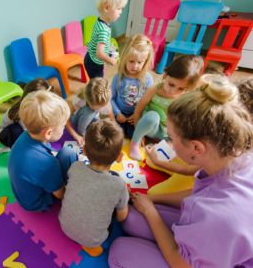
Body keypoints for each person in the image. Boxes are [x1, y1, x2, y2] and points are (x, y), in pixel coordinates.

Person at [108, 74, 253, 268]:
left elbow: (180, 263)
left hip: (206, 257)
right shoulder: (232, 157)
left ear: (196, 148)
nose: (168, 142)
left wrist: (151, 212)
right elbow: (201, 193)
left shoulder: (217, 216)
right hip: (215, 233)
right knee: (130, 218)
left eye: (171, 137)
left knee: (118, 252)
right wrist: (152, 200)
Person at [59, 119, 130, 257]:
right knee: (115, 187)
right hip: (94, 240)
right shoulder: (119, 185)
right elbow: (121, 218)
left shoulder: (75, 167)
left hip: (64, 227)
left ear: (84, 150)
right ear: (120, 157)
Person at [8, 91, 78, 212]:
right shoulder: (48, 164)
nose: (63, 128)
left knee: (66, 153)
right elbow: (60, 194)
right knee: (69, 153)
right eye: (63, 126)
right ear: (49, 133)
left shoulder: (24, 135)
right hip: (36, 203)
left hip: (23, 195)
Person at [129, 55, 204, 161]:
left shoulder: (185, 99)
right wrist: (138, 135)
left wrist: (171, 142)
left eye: (181, 88)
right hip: (150, 127)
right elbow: (138, 112)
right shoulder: (153, 90)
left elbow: (183, 125)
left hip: (169, 135)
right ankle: (134, 143)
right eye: (171, 84)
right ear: (165, 74)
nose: (173, 91)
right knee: (152, 116)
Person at [111, 34, 154, 139]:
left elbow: (150, 102)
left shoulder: (147, 79)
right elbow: (111, 98)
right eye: (131, 61)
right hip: (120, 113)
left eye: (140, 62)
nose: (135, 66)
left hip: (137, 115)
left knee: (133, 136)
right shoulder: (118, 77)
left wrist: (137, 115)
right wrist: (117, 114)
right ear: (125, 58)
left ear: (146, 61)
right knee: (115, 134)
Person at [0, 78, 53, 154]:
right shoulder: (22, 111)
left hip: (21, 130)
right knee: (16, 130)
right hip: (5, 135)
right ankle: (14, 149)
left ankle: (14, 146)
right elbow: (27, 132)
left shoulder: (36, 106)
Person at [85, 0, 128, 79]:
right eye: (119, 8)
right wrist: (110, 60)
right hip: (94, 63)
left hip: (90, 57)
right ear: (106, 8)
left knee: (95, 82)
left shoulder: (101, 22)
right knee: (98, 85)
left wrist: (107, 47)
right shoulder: (103, 30)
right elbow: (100, 54)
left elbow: (98, 41)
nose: (121, 12)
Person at [66, 78, 115, 146]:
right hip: (78, 120)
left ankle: (87, 131)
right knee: (90, 111)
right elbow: (65, 117)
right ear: (87, 99)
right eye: (93, 106)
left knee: (103, 126)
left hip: (92, 120)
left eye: (99, 107)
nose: (97, 109)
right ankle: (81, 133)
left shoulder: (105, 102)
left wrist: (115, 135)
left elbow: (112, 121)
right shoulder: (80, 99)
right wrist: (75, 135)